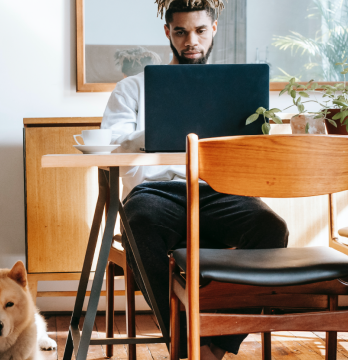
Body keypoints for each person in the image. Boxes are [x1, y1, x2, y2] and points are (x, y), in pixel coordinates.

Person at [100, 1, 289, 359]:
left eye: (200, 31)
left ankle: (218, 345)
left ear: (213, 29)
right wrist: (164, 125)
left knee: (271, 228)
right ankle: (188, 344)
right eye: (181, 31)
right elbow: (113, 147)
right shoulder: (132, 89)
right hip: (155, 193)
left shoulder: (230, 90)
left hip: (217, 191)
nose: (192, 41)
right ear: (167, 32)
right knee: (139, 223)